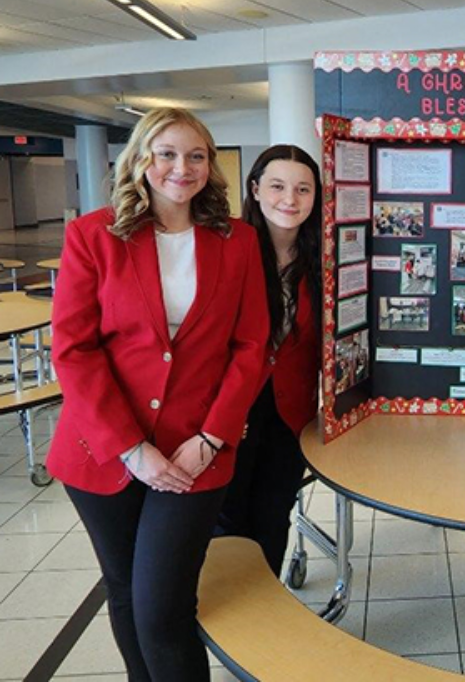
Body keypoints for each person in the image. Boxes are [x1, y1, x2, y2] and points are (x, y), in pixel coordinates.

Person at [48, 107, 268, 680]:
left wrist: (213, 437)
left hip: (195, 453)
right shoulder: (93, 236)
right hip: (103, 451)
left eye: (196, 155)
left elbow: (251, 347)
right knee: (123, 593)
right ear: (141, 160)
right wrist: (129, 446)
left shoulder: (236, 241)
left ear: (210, 165)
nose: (181, 167)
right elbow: (74, 350)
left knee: (162, 607)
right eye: (166, 153)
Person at [214, 145, 322, 578]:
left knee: (274, 514)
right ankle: (230, 613)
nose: (290, 200)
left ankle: (268, 602)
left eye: (303, 189)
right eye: (277, 186)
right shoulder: (226, 247)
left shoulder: (323, 258)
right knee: (226, 517)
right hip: (230, 406)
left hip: (289, 410)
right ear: (255, 189)